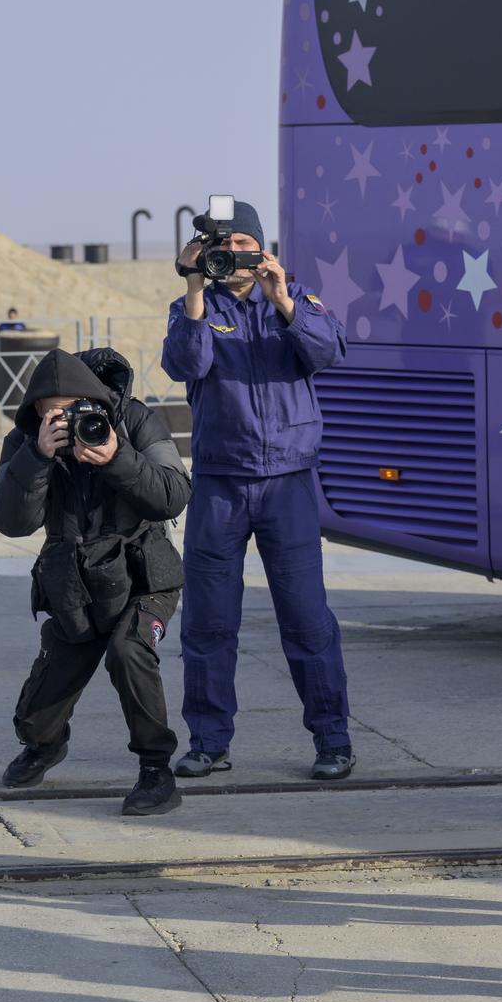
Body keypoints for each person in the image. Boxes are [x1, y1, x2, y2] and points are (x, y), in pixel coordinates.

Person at [159, 199, 356, 782]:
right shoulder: (191, 306)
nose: (234, 257)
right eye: (222, 248)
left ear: (261, 247)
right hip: (221, 483)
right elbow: (184, 366)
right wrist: (195, 288)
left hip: (288, 484)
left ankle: (333, 739)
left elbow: (329, 352)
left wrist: (283, 298)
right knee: (209, 622)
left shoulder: (295, 301)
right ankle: (208, 741)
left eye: (243, 245)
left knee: (306, 618)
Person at [0, 346, 192, 813]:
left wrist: (117, 458)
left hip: (143, 575)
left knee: (129, 652)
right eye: (51, 413)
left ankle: (156, 771)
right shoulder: (25, 443)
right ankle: (44, 745)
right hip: (72, 583)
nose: (67, 420)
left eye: (75, 408)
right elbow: (10, 521)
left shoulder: (136, 422)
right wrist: (38, 457)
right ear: (37, 413)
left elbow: (173, 496)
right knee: (40, 709)